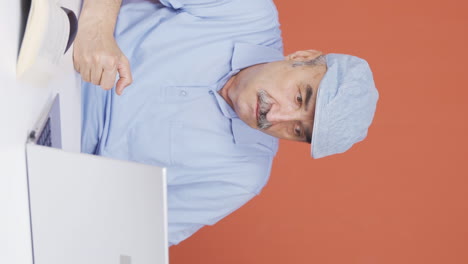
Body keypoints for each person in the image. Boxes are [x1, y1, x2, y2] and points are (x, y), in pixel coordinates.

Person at [74, 0, 379, 246]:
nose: (275, 117)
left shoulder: (241, 177)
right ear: (302, 57)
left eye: (298, 130)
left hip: (51, 154)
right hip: (57, 42)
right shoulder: (247, 10)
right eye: (300, 97)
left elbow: (130, 240)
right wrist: (97, 28)